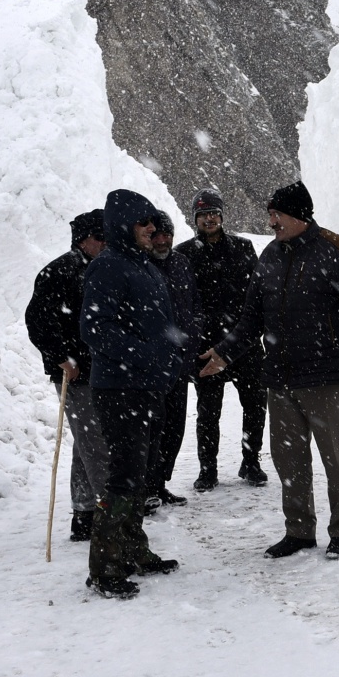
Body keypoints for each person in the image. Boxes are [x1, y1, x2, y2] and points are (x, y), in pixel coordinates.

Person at [200, 181, 339, 559]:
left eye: (277, 215)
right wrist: (224, 353)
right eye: (270, 215)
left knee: (336, 459)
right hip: (281, 377)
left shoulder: (336, 250)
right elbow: (251, 318)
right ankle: (299, 531)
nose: (272, 222)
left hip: (326, 376)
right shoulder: (269, 256)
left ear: (300, 215)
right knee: (290, 461)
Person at [80, 189, 184, 598]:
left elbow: (159, 325)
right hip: (121, 388)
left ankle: (133, 550)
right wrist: (143, 358)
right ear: (125, 225)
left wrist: (169, 360)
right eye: (144, 223)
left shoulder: (142, 265)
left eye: (153, 222)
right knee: (123, 477)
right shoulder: (108, 267)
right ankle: (104, 568)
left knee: (141, 474)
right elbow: (95, 329)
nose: (152, 229)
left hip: (147, 387)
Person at [23, 209, 111, 542]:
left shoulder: (100, 269)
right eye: (99, 238)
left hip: (102, 371)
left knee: (86, 445)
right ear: (83, 239)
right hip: (77, 375)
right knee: (96, 446)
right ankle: (109, 513)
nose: (105, 244)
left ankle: (85, 512)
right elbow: (37, 321)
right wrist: (61, 358)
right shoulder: (59, 271)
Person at [175, 189, 268, 491]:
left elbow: (257, 295)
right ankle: (208, 469)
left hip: (245, 343)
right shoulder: (184, 253)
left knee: (255, 405)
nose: (210, 218)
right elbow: (180, 302)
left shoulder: (243, 247)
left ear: (222, 216)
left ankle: (251, 462)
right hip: (205, 347)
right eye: (203, 214)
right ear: (195, 219)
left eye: (214, 213)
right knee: (207, 411)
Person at [145, 210, 199, 509]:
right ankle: (145, 486)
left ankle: (160, 483)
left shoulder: (181, 263)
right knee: (152, 427)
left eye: (167, 234)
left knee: (174, 427)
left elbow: (195, 305)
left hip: (180, 361)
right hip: (152, 365)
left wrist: (194, 334)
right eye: (157, 235)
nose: (163, 240)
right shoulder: (140, 265)